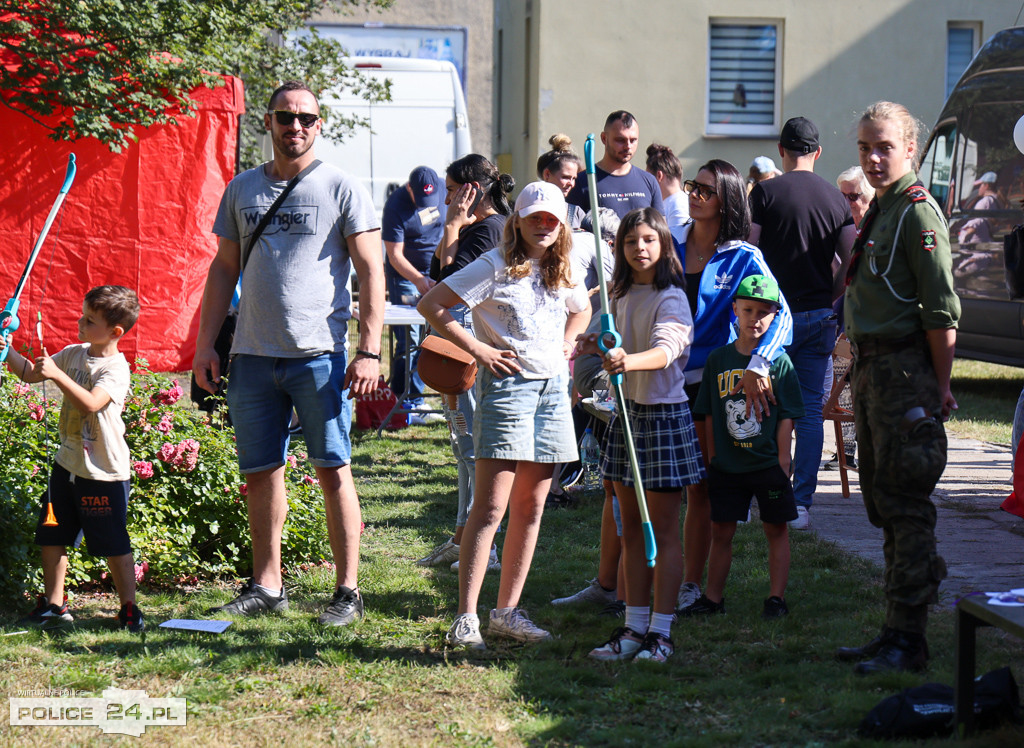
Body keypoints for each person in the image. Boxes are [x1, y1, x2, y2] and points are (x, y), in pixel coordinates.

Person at [192, 80, 385, 627]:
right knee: (261, 472)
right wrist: (206, 343)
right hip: (251, 357)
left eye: (305, 117)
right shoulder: (242, 189)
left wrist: (369, 351)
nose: (294, 125)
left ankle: (347, 590)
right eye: (284, 116)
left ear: (319, 124)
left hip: (319, 355)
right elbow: (223, 269)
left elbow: (372, 271)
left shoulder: (342, 187)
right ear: (269, 123)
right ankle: (266, 583)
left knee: (333, 469)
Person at [419, 181, 591, 649]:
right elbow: (432, 305)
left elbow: (583, 308)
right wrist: (477, 349)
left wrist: (568, 341)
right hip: (508, 391)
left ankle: (506, 614)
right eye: (534, 216)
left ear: (561, 226)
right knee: (490, 506)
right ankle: (465, 618)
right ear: (516, 219)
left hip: (553, 391)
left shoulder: (564, 267)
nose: (542, 224)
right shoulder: (493, 266)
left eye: (551, 218)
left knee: (531, 508)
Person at [836, 100, 960, 674]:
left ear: (910, 148)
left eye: (884, 146)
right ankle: (892, 631)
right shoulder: (881, 209)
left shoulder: (916, 212)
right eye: (865, 147)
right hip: (873, 373)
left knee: (907, 503)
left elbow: (940, 312)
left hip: (904, 375)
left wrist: (940, 384)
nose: (873, 158)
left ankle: (910, 640)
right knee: (884, 501)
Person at [581, 208, 704, 663]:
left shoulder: (671, 297)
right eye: (632, 241)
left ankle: (662, 633)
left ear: (664, 245)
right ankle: (632, 628)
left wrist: (627, 360)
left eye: (649, 240)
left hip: (664, 419)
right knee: (630, 529)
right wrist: (592, 344)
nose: (640, 248)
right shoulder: (619, 294)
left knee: (663, 531)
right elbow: (603, 336)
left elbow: (667, 350)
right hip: (627, 417)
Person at [670, 159, 793, 616]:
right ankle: (623, 583)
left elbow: (781, 315)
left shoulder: (743, 257)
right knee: (647, 485)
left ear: (728, 199)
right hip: (659, 376)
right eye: (692, 187)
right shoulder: (669, 243)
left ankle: (689, 584)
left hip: (709, 385)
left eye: (705, 190)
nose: (695, 195)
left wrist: (758, 363)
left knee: (700, 486)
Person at [8, 286, 145, 632]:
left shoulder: (116, 369)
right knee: (52, 535)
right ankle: (55, 605)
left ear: (115, 332)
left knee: (113, 541)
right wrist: (6, 350)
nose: (80, 322)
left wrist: (57, 374)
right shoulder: (73, 353)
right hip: (66, 466)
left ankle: (129, 608)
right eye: (82, 315)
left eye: (89, 319)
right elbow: (31, 373)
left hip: (103, 473)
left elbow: (91, 403)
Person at [748, 116, 857, 531]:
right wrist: (830, 292)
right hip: (817, 315)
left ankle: (761, 495)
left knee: (762, 406)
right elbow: (850, 257)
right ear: (818, 152)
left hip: (771, 317)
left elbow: (750, 251)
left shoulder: (765, 193)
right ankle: (801, 503)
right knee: (811, 412)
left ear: (781, 150)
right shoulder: (835, 199)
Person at [416, 154, 515, 571]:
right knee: (462, 446)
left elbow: (446, 282)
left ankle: (484, 546)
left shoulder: (489, 230)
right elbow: (438, 269)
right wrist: (453, 227)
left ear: (473, 191)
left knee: (474, 447)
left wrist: (454, 226)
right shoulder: (473, 228)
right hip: (453, 349)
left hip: (469, 350)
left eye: (453, 191)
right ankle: (461, 537)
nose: (446, 200)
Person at [692, 275, 804, 619]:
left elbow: (788, 415)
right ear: (734, 311)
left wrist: (783, 461)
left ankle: (776, 598)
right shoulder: (717, 360)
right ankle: (713, 598)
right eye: (748, 310)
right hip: (727, 465)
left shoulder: (779, 362)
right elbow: (708, 411)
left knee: (775, 528)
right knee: (720, 530)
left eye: (764, 312)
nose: (755, 319)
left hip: (766, 464)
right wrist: (712, 457)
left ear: (775, 316)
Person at [382, 166, 446, 422]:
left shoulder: (444, 188)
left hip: (436, 272)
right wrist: (419, 280)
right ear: (409, 188)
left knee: (428, 338)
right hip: (406, 278)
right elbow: (394, 254)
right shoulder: (395, 206)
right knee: (408, 338)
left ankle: (414, 400)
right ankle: (404, 401)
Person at [566, 110, 665, 219]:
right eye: (620, 140)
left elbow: (660, 231)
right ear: (604, 138)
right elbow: (571, 230)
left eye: (633, 140)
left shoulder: (649, 181)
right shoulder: (583, 182)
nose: (628, 146)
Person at [537, 133, 586, 228]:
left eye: (574, 178)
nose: (571, 184)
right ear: (547, 174)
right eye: (566, 177)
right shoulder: (528, 209)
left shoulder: (576, 213)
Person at [646, 143, 689, 228]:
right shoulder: (674, 203)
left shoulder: (678, 205)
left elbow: (678, 240)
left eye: (648, 178)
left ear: (659, 176)